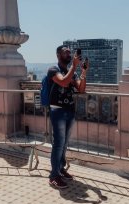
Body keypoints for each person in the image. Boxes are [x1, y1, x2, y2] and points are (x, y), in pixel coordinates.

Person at [47, 45, 89, 188]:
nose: (69, 54)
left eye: (70, 53)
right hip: (57, 110)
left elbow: (81, 89)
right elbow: (64, 81)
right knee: (58, 143)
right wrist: (74, 66)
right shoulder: (53, 70)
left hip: (70, 110)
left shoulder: (72, 72)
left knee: (64, 144)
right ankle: (54, 175)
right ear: (58, 55)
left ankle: (60, 168)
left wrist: (83, 71)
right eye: (66, 52)